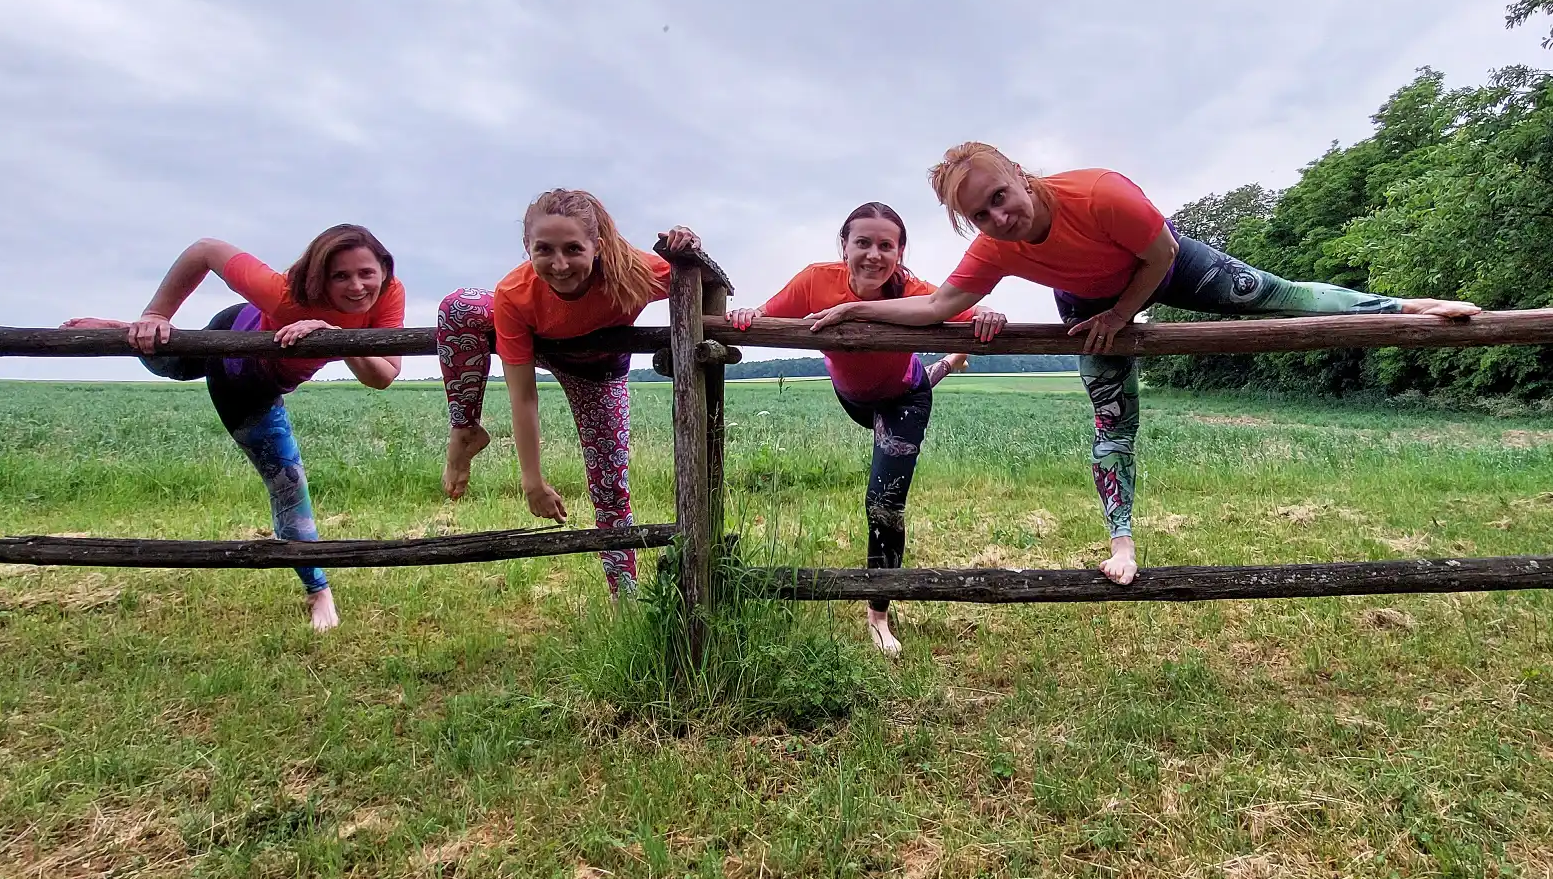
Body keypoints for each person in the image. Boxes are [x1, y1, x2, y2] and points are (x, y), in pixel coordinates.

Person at [804, 142, 1483, 586]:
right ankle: (1121, 543)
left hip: (1164, 267)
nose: (999, 217)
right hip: (1089, 303)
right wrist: (852, 311)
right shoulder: (996, 249)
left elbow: (1160, 256)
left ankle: (1410, 307)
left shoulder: (1100, 193)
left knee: (1275, 295)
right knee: (1112, 420)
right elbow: (938, 306)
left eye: (999, 196)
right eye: (980, 214)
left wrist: (1122, 316)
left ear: (1018, 173)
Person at [61, 225, 407, 630]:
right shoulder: (282, 293)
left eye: (366, 273)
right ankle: (319, 591)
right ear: (318, 278)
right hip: (240, 374)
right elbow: (205, 248)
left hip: (260, 353)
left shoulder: (389, 292)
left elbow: (384, 375)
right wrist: (156, 314)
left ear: (384, 269)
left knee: (283, 480)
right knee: (172, 364)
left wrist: (337, 338)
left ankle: (316, 590)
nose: (357, 286)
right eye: (340, 276)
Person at [727, 203, 1005, 654]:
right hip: (854, 398)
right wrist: (745, 314)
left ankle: (878, 615)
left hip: (903, 400)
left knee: (883, 504)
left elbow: (966, 307)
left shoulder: (911, 289)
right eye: (863, 243)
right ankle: (948, 364)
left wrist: (988, 311)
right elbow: (763, 316)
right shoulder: (816, 280)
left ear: (899, 252)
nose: (874, 255)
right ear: (844, 246)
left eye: (885, 246)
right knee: (897, 403)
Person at [435, 188, 699, 598]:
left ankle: (624, 595)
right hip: (542, 345)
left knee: (610, 487)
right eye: (544, 249)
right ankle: (465, 430)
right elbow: (524, 396)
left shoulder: (634, 271)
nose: (559, 265)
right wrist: (532, 481)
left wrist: (690, 249)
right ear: (527, 247)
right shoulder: (515, 292)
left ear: (598, 247)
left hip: (598, 371)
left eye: (573, 249)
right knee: (459, 307)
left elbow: (707, 282)